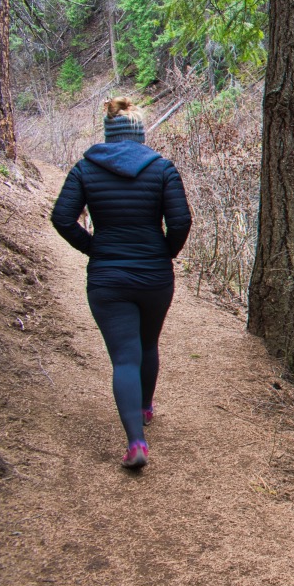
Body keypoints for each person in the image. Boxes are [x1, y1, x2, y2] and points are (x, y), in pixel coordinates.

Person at [51, 96, 192, 469]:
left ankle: (136, 444)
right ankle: (145, 407)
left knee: (124, 357)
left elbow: (62, 218)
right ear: (140, 134)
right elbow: (180, 222)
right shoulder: (161, 167)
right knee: (148, 343)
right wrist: (165, 253)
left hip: (107, 277)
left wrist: (93, 248)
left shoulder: (85, 168)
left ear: (108, 134)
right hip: (154, 275)